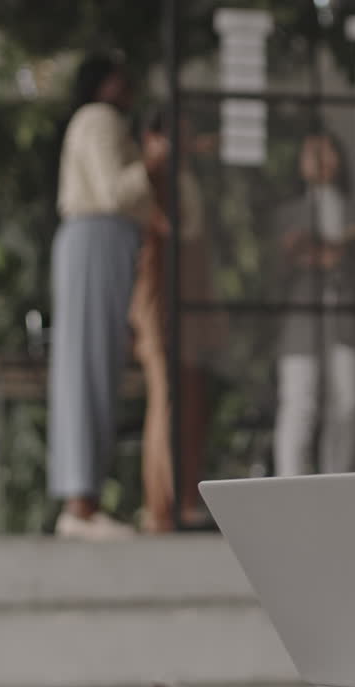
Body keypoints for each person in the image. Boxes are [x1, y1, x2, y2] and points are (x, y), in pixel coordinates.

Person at [48, 52, 166, 540]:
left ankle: (85, 499)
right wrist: (152, 163)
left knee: (98, 365)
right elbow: (114, 191)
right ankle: (80, 504)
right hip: (97, 234)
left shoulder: (100, 120)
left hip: (106, 240)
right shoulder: (98, 119)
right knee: (87, 366)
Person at [128, 107, 217, 532]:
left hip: (190, 296)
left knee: (191, 396)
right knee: (164, 396)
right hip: (159, 298)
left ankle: (185, 495)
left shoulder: (190, 181)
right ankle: (160, 505)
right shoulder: (149, 179)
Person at [272, 132, 355, 477]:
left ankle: (336, 483)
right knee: (299, 404)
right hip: (303, 322)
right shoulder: (287, 215)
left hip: (345, 317)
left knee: (346, 404)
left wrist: (337, 256)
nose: (319, 159)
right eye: (311, 152)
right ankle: (290, 488)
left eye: (327, 151)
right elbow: (274, 273)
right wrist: (297, 254)